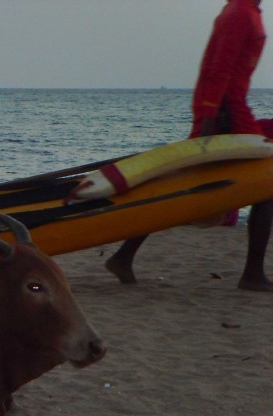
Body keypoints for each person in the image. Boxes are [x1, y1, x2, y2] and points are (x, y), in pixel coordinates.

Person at [106, 0, 273, 292]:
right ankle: (252, 275)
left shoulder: (247, 11)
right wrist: (209, 116)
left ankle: (124, 255)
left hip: (231, 109)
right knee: (265, 187)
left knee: (185, 188)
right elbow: (218, 67)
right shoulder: (240, 13)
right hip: (226, 113)